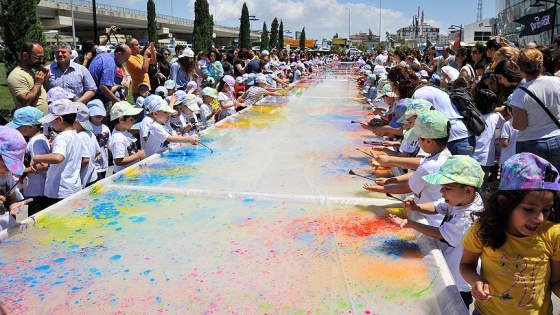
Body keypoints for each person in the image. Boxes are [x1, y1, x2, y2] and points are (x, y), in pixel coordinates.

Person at [460, 152, 560, 315]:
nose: (540, 218)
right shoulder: (483, 229)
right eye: (529, 209)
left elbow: (556, 281)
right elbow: (466, 265)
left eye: (547, 210)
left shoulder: (553, 234)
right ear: (503, 201)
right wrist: (475, 280)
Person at [390, 155, 484, 309]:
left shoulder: (469, 217)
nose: (441, 192)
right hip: (449, 262)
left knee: (456, 306)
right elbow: (438, 206)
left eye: (447, 188)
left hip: (459, 277)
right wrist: (416, 207)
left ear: (467, 190)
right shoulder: (462, 200)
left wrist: (412, 224)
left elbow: (440, 233)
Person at [364, 110, 452, 226]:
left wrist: (380, 189)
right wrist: (390, 181)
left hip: (429, 220)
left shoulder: (429, 166)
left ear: (429, 141)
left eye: (418, 139)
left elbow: (406, 187)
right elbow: (418, 175)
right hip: (437, 216)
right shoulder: (445, 156)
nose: (418, 142)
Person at [511, 48, 560, 171]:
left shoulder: (520, 93)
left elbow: (520, 125)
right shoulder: (557, 81)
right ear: (541, 64)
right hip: (557, 139)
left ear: (520, 68)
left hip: (531, 144)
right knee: (556, 183)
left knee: (533, 186)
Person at [31, 100, 82, 208]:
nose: (50, 123)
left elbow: (58, 157)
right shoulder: (75, 135)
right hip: (73, 187)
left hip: (58, 191)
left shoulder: (62, 138)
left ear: (59, 119)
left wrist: (36, 157)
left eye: (52, 120)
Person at [6, 107, 49, 216]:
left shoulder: (37, 142)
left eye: (19, 127)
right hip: (32, 189)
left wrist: (22, 171)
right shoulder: (34, 140)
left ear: (30, 127)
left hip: (37, 192)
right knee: (23, 218)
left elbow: (44, 165)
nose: (17, 130)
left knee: (29, 220)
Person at [0, 126, 31, 230]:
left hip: (8, 233)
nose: (8, 170)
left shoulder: (6, 175)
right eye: (6, 165)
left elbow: (14, 198)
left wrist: (18, 211)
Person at [7, 40, 49, 114]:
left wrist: (45, 78)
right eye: (38, 58)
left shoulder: (32, 71)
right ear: (25, 55)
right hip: (31, 124)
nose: (41, 61)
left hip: (42, 122)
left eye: (43, 58)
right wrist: (38, 83)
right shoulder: (16, 75)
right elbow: (26, 103)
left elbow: (39, 94)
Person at [108, 101, 145, 174]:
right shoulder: (118, 138)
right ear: (121, 119)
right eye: (131, 119)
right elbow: (118, 161)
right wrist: (137, 155)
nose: (134, 121)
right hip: (123, 175)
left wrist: (137, 152)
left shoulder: (125, 131)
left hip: (131, 172)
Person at [87, 100, 111, 180]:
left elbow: (109, 144)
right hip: (92, 164)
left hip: (103, 163)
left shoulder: (105, 128)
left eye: (100, 113)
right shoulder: (87, 128)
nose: (99, 115)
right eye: (95, 113)